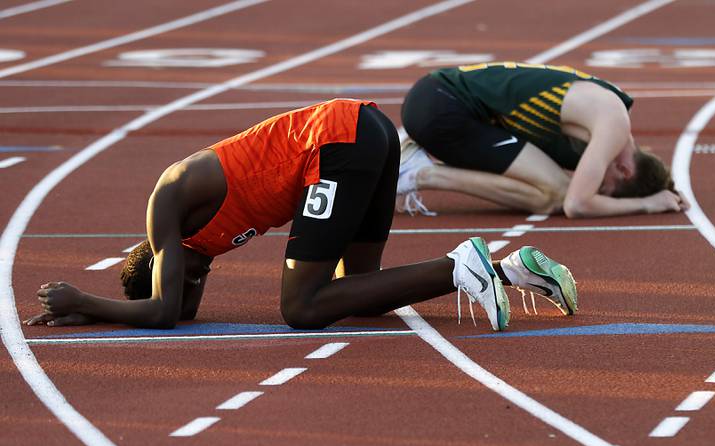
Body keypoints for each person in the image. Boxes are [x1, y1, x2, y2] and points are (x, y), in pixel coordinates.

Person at [26, 99, 578, 333]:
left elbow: (168, 312)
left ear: (158, 262)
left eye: (188, 278)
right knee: (359, 291)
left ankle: (463, 265)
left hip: (337, 142)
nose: (197, 288)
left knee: (300, 307)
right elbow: (177, 309)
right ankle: (505, 270)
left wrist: (85, 303)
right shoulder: (197, 247)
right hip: (366, 132)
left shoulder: (165, 208)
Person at [397, 62, 690, 217]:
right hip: (441, 106)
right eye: (607, 188)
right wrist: (645, 204)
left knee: (550, 195)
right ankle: (419, 174)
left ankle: (418, 170)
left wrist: (668, 190)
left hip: (441, 103)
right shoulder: (613, 125)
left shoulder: (603, 135)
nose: (600, 188)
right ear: (625, 170)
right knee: (559, 195)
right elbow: (577, 205)